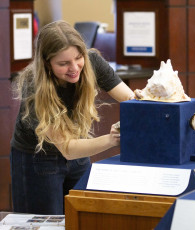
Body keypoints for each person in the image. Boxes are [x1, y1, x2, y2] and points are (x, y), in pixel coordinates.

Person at [10, 20, 135, 215]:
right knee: (45, 223)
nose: (74, 67)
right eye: (63, 63)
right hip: (38, 158)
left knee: (82, 215)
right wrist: (112, 139)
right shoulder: (34, 86)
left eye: (78, 58)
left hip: (78, 152)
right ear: (47, 64)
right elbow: (67, 149)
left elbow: (131, 99)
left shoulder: (92, 61)